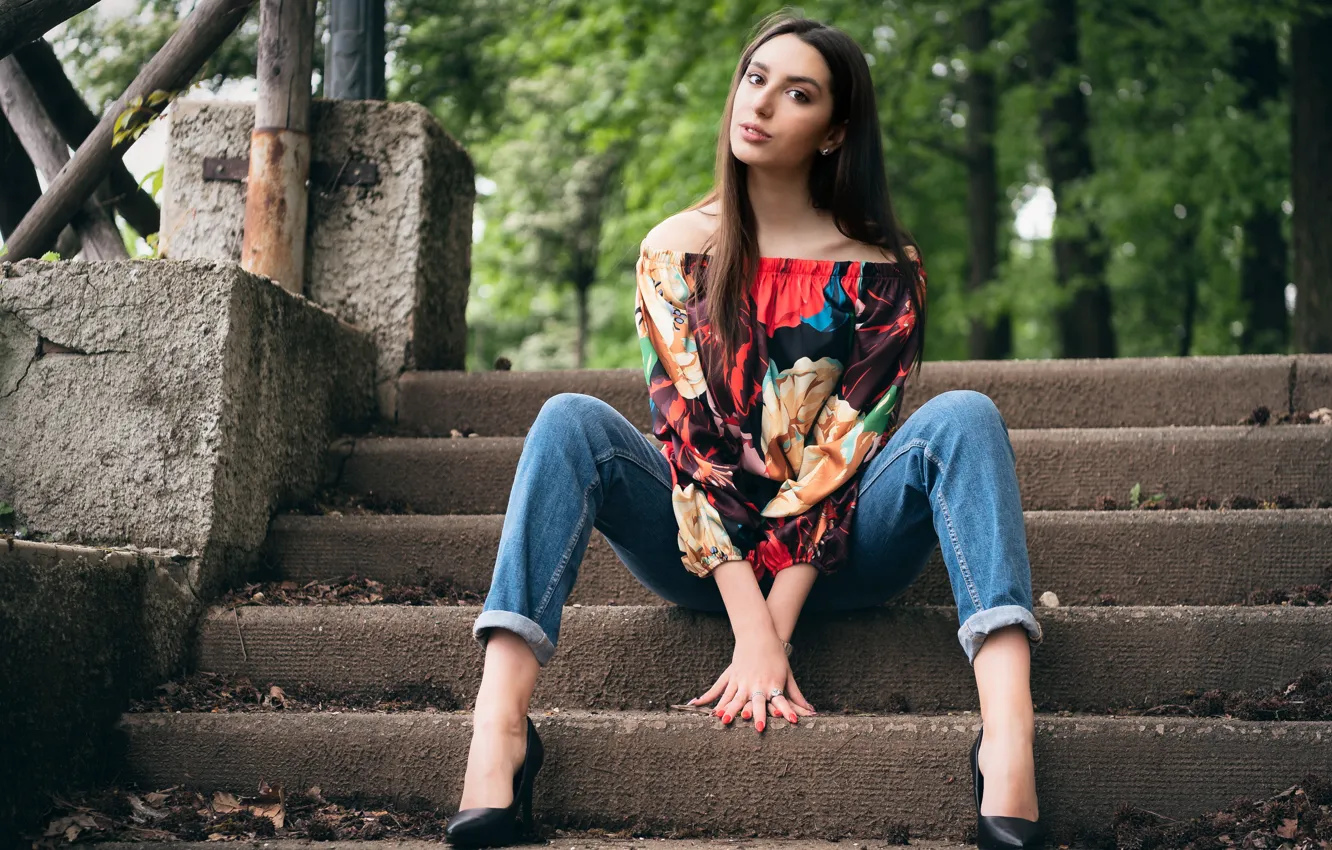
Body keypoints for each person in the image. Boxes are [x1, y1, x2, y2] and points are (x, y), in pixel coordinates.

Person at [445, 11, 1046, 850]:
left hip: (847, 554)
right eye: (754, 78)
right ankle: (500, 730)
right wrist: (749, 628)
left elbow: (845, 452)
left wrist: (778, 630)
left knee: (967, 418)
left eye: (795, 93)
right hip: (702, 557)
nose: (759, 104)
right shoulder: (674, 249)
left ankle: (1008, 739)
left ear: (834, 131)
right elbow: (690, 448)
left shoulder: (885, 268)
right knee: (567, 422)